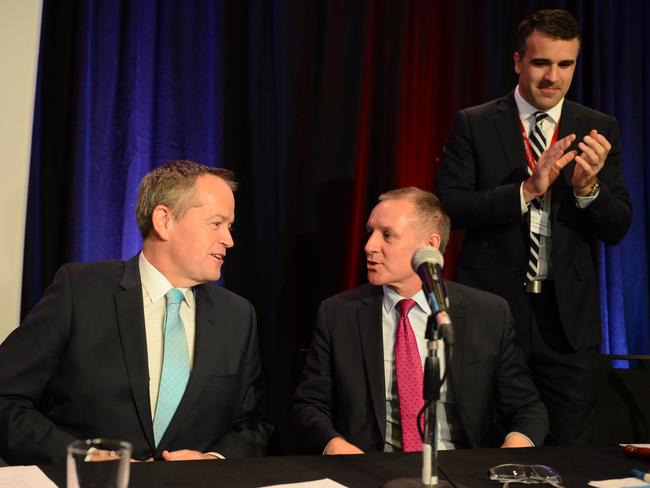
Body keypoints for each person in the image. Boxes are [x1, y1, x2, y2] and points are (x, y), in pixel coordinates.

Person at [434, 10, 632, 445]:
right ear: (518, 61)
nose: (553, 78)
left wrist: (588, 190)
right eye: (542, 63)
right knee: (486, 446)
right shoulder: (475, 122)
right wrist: (526, 190)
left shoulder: (598, 127)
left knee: (569, 449)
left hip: (566, 326)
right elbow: (449, 205)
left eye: (566, 65)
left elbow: (618, 226)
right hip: (492, 311)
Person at [0, 160, 272, 464]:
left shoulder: (237, 316)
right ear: (164, 220)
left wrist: (214, 459)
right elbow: (6, 400)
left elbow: (252, 424)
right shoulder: (79, 291)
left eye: (230, 226)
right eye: (216, 223)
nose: (229, 240)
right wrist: (86, 459)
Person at [290, 187, 547, 455]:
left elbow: (527, 408)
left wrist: (510, 453)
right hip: (370, 470)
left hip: (463, 469)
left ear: (430, 245)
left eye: (387, 235)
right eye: (370, 232)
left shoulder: (488, 313)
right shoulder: (338, 314)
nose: (369, 246)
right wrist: (336, 446)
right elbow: (309, 406)